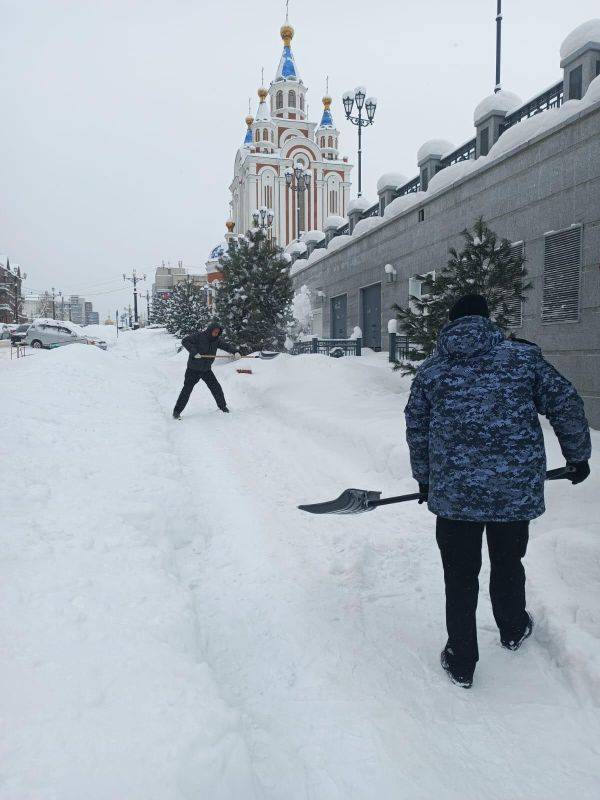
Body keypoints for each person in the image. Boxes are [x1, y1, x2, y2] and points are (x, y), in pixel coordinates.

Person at [404, 294, 591, 688]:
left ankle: (461, 659)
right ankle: (512, 628)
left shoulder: (432, 372)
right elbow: (566, 403)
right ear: (487, 320)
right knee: (508, 562)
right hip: (513, 493)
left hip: (454, 497)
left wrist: (424, 478)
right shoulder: (523, 360)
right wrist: (578, 456)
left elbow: (416, 428)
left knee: (459, 575)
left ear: (451, 323)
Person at [173, 322, 240, 419]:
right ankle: (176, 412)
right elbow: (185, 341)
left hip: (206, 369)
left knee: (216, 387)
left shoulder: (216, 340)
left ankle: (223, 407)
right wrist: (194, 352)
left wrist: (235, 351)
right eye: (215, 332)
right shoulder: (199, 336)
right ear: (210, 330)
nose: (216, 334)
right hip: (193, 369)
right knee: (187, 390)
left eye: (218, 332)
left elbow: (226, 346)